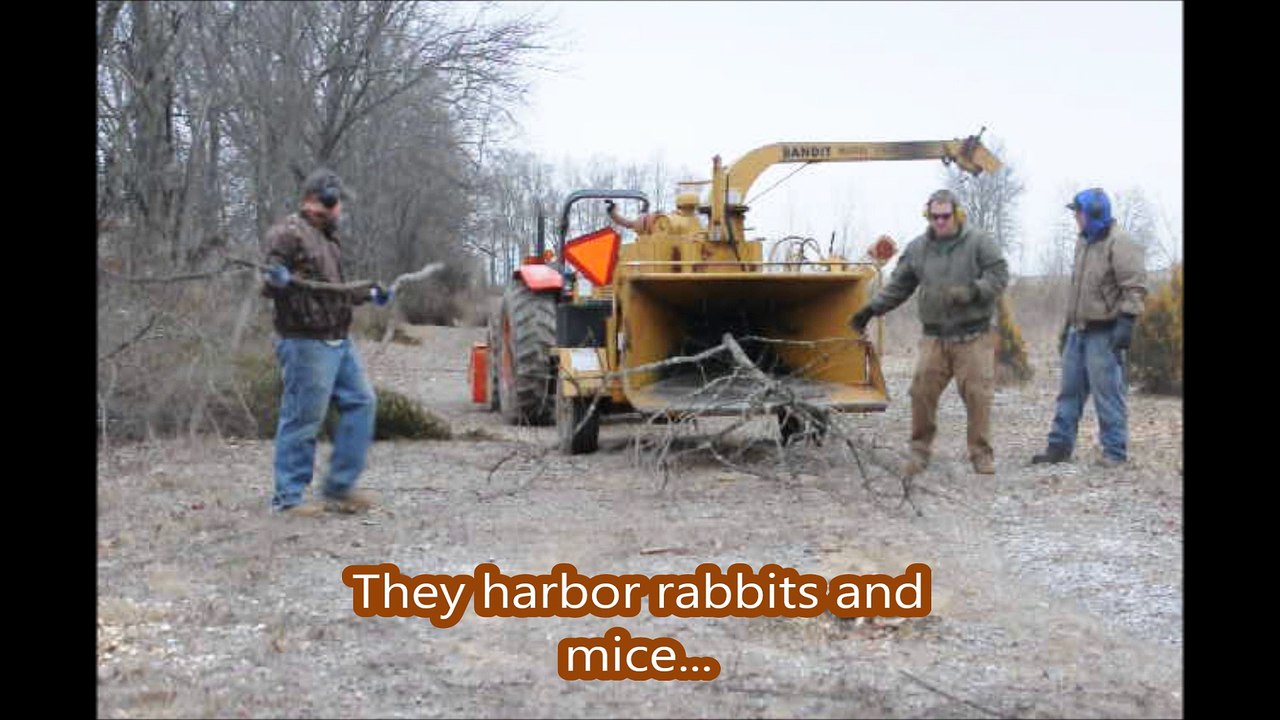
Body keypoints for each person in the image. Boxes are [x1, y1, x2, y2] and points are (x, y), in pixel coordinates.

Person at [849, 189, 1009, 476]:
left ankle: (981, 456)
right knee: (921, 393)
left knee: (978, 396)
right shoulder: (918, 249)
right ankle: (919, 454)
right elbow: (899, 286)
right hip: (934, 337)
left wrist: (973, 292)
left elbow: (999, 277)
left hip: (974, 336)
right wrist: (871, 309)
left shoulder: (980, 243)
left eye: (945, 216)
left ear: (957, 215)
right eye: (934, 216)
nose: (940, 222)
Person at [261, 168, 392, 515]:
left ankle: (339, 487)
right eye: (338, 203)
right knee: (303, 417)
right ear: (323, 200)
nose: (341, 211)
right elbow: (267, 281)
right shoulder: (287, 233)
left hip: (338, 338)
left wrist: (370, 293)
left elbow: (334, 291)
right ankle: (288, 499)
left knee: (362, 402)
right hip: (305, 341)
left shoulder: (328, 239)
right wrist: (276, 278)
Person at [1031, 188, 1147, 468]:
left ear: (1094, 213)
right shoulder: (1083, 242)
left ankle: (1115, 453)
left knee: (1108, 395)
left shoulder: (1121, 243)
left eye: (1079, 213)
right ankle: (1059, 447)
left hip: (1105, 332)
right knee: (1069, 392)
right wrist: (1068, 327)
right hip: (1078, 330)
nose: (1076, 218)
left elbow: (1135, 286)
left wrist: (1127, 322)